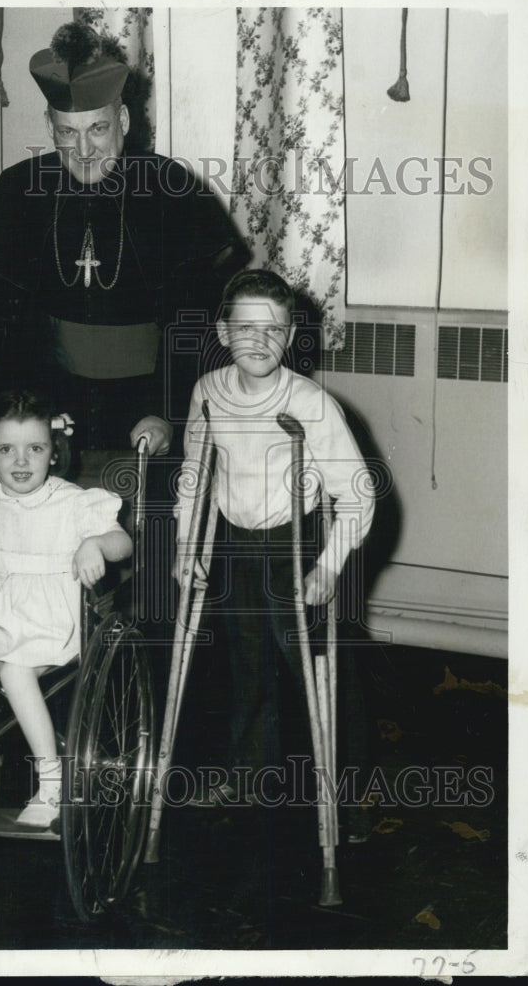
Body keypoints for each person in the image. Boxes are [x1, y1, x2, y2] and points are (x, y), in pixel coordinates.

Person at [0, 21, 248, 455]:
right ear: (49, 125)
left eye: (97, 128)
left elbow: (196, 323)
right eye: (67, 132)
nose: (83, 150)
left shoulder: (172, 189)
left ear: (122, 118)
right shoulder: (18, 190)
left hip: (147, 408)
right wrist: (0, 413)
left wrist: (168, 411)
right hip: (44, 409)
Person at [174, 270, 375, 834]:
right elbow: (195, 474)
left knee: (317, 666)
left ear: (291, 336)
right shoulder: (207, 392)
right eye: (246, 328)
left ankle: (348, 791)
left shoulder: (311, 403)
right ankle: (249, 777)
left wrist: (330, 564)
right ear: (222, 330)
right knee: (246, 666)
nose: (259, 342)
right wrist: (188, 541)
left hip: (297, 543)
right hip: (235, 544)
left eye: (275, 329)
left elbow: (358, 492)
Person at [0, 389, 132, 827]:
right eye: (6, 449)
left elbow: (122, 544)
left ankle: (52, 782)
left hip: (51, 616)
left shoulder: (71, 501)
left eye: (35, 449)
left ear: (54, 453)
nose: (21, 461)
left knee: (13, 670)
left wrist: (94, 544)